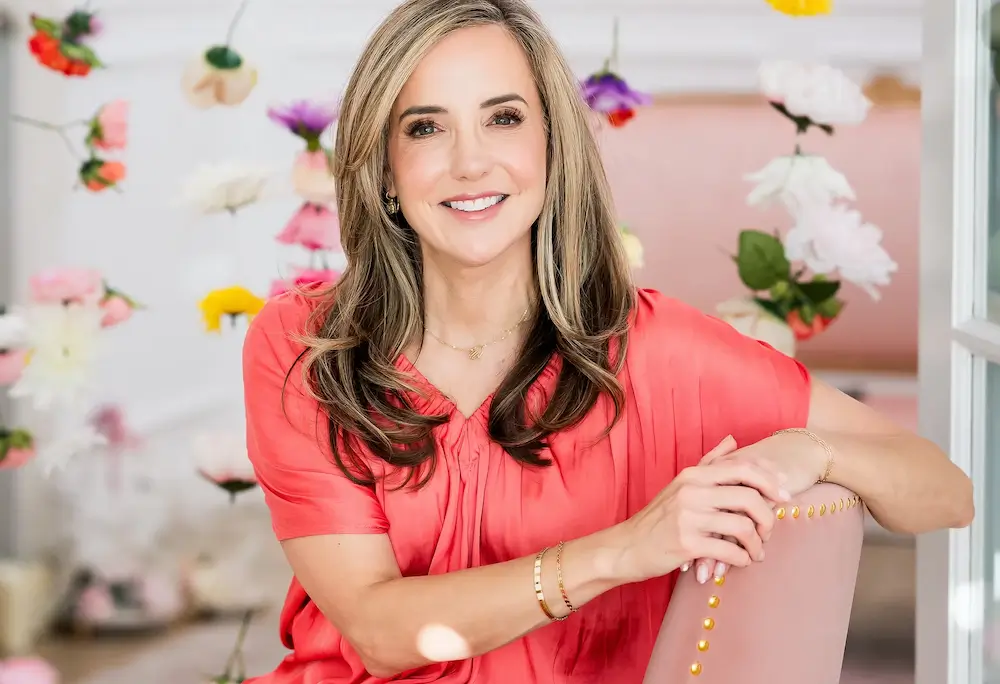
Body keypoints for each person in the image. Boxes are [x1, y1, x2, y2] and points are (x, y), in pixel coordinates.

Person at [241, 0, 974, 682]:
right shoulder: (307, 347)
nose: (470, 162)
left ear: (552, 148)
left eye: (503, 118)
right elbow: (377, 629)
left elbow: (946, 492)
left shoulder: (659, 353)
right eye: (426, 127)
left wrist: (815, 449)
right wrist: (623, 550)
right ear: (386, 170)